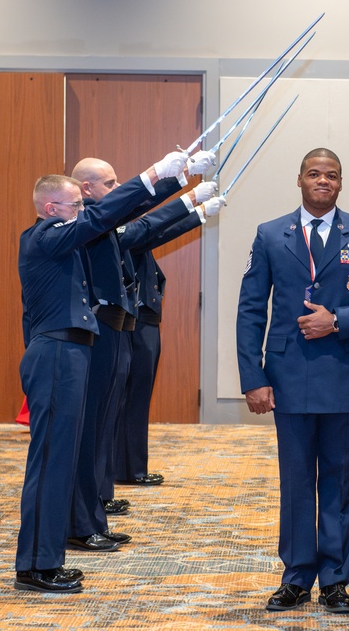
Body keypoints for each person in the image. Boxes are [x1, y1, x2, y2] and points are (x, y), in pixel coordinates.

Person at [15, 147, 213, 594]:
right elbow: (97, 218)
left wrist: (173, 181)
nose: (84, 213)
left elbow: (114, 220)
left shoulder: (70, 236)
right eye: (75, 205)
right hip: (55, 355)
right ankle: (35, 565)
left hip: (73, 354)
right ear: (52, 209)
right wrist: (153, 174)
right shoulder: (44, 237)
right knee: (49, 462)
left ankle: (48, 555)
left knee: (63, 459)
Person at [236, 148, 349, 614]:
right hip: (286, 377)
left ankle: (335, 579)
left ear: (341, 183)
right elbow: (251, 310)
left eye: (331, 175)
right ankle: (295, 576)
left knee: (338, 482)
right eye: (314, 174)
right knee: (296, 481)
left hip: (343, 374)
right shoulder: (270, 234)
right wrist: (253, 376)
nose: (322, 181)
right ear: (300, 180)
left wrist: (341, 320)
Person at [113, 188, 225, 490]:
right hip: (133, 321)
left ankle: (132, 466)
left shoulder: (126, 226)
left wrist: (199, 214)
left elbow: (160, 231)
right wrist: (194, 206)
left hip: (144, 317)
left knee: (137, 397)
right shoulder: (113, 226)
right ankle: (128, 468)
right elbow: (154, 228)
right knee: (130, 397)